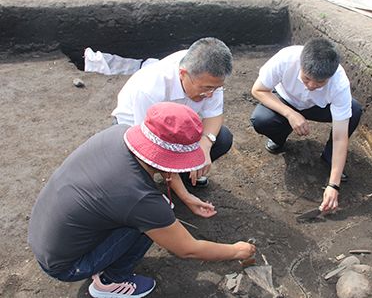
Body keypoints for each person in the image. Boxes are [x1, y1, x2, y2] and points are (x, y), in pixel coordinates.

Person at [28, 102, 256, 298]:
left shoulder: (119, 134)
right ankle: (110, 281)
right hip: (68, 265)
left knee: (154, 212)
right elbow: (188, 249)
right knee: (158, 215)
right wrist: (236, 251)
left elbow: (160, 161)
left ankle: (104, 258)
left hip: (44, 235)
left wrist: (185, 196)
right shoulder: (140, 198)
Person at [250, 38, 362, 214]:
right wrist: (290, 114)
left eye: (319, 83)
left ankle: (329, 158)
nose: (311, 86)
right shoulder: (286, 58)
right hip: (284, 100)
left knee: (354, 110)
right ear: (300, 64)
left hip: (318, 107)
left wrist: (334, 185)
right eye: (306, 78)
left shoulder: (339, 83)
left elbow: (341, 136)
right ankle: (279, 137)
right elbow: (258, 90)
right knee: (261, 119)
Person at [111, 37, 233, 188]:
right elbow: (148, 144)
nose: (210, 94)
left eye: (216, 88)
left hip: (176, 128)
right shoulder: (150, 88)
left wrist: (204, 146)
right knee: (135, 169)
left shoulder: (210, 77)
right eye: (205, 88)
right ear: (183, 74)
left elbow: (214, 115)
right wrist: (185, 196)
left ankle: (185, 175)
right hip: (138, 129)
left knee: (222, 138)